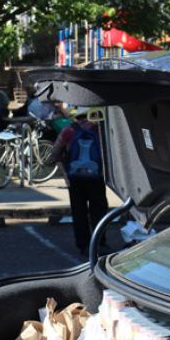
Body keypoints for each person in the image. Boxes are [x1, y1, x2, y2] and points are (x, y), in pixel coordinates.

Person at [49, 107, 109, 256]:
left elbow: (54, 153)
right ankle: (100, 241)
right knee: (98, 210)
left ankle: (83, 244)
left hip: (75, 178)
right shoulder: (99, 130)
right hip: (96, 177)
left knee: (79, 211)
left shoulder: (69, 130)